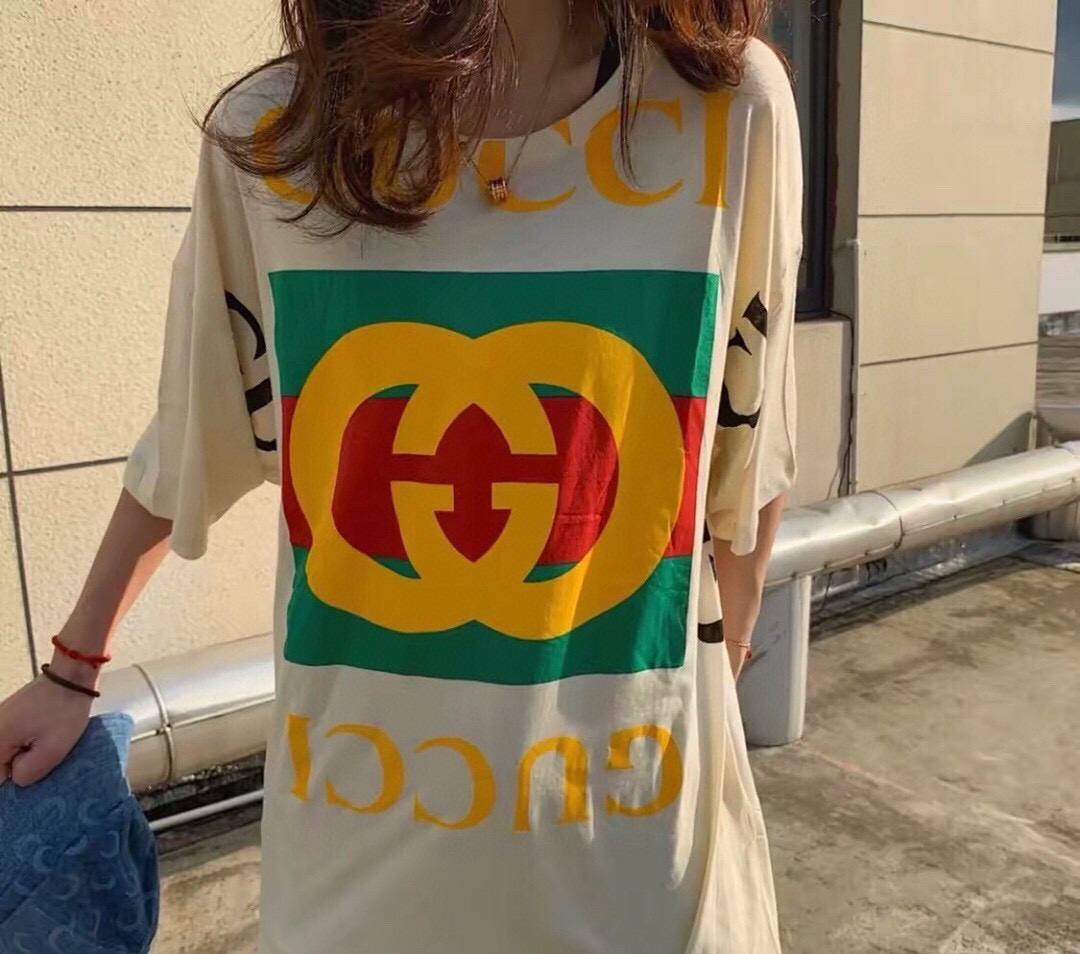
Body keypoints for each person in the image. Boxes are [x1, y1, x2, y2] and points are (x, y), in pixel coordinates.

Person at [0, 0, 801, 950]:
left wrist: (716, 674)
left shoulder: (730, 110)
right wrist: (73, 670)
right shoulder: (277, 138)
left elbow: (746, 451)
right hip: (355, 862)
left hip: (635, 864)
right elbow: (189, 431)